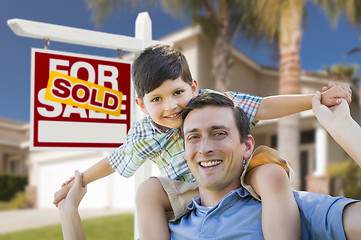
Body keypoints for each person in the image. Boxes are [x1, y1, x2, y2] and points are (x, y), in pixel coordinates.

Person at [53, 45, 352, 240]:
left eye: (177, 93)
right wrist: (79, 181)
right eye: (157, 99)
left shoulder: (216, 105)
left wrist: (314, 102)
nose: (171, 106)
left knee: (271, 173)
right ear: (142, 106)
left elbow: (264, 106)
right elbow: (116, 160)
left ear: (193, 87)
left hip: (241, 174)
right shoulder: (145, 134)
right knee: (147, 191)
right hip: (186, 190)